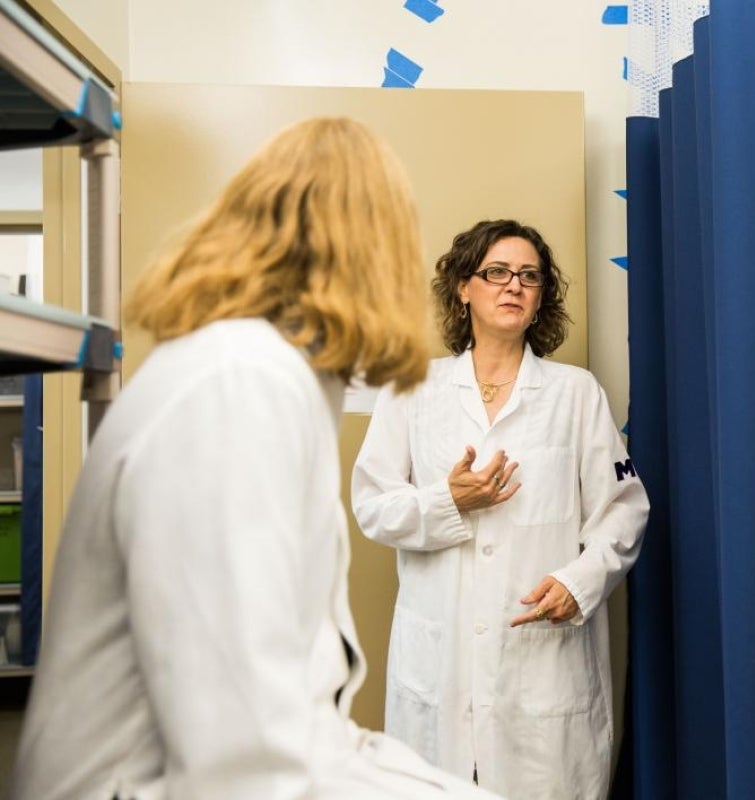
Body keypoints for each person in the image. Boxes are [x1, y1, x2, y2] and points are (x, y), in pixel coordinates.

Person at [12, 118, 500, 800]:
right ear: (375, 249)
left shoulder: (265, 377)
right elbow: (243, 756)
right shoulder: (237, 385)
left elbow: (299, 726)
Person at [351, 218, 650, 800]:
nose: (513, 285)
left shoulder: (575, 393)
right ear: (464, 288)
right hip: (441, 669)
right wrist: (448, 501)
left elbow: (625, 509)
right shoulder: (412, 392)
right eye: (496, 272)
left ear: (540, 300)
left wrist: (579, 581)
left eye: (529, 277)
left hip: (540, 666)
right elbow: (372, 506)